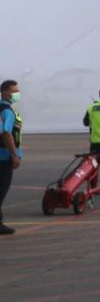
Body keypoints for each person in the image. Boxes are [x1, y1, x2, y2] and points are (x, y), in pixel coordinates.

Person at [0, 79, 22, 236]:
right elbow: (6, 133)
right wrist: (14, 155)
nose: (17, 94)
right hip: (3, 156)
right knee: (1, 190)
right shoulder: (7, 111)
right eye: (14, 91)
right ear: (5, 92)